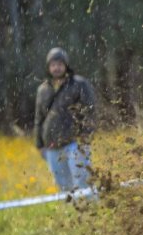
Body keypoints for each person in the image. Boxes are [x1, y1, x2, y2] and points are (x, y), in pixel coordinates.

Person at [34, 47, 96, 191]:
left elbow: (90, 111)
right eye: (53, 65)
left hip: (75, 143)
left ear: (66, 65)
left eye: (59, 64)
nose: (56, 68)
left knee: (83, 183)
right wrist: (39, 144)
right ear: (49, 67)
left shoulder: (79, 84)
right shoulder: (43, 89)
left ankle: (92, 210)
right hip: (52, 146)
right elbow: (39, 118)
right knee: (64, 187)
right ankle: (73, 213)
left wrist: (85, 136)